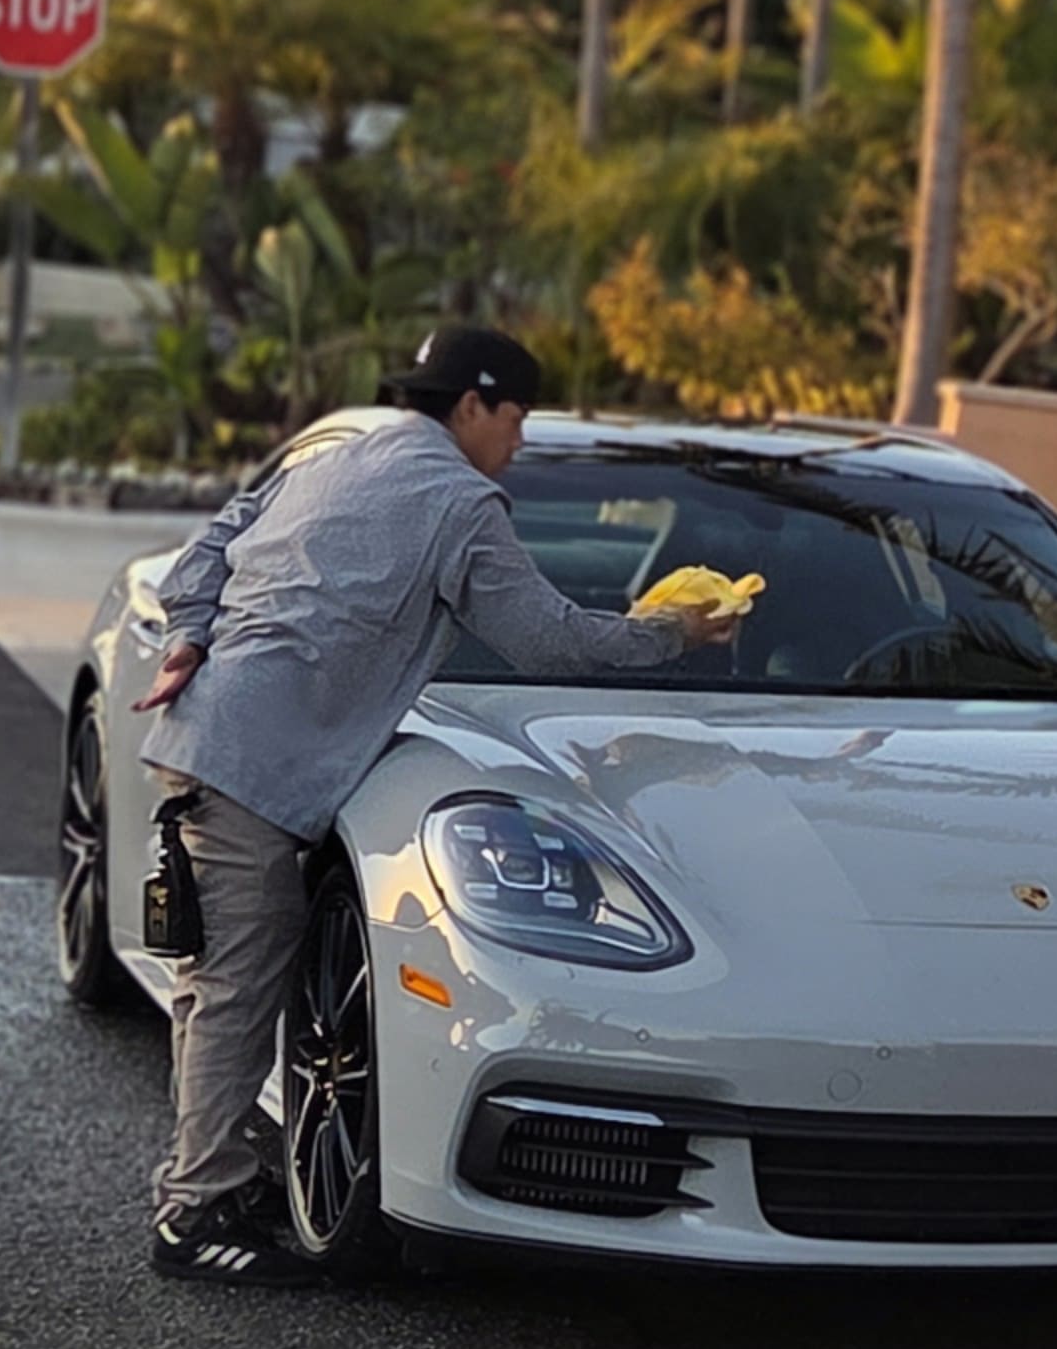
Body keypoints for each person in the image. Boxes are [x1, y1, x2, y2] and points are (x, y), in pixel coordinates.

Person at [132, 322, 731, 1286]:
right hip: (254, 772)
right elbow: (546, 641)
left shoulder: (338, 459)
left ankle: (225, 1182)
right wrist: (669, 632)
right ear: (471, 407)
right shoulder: (458, 500)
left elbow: (206, 548)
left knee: (226, 986)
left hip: (219, 744)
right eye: (517, 414)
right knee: (235, 993)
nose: (522, 439)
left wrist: (192, 641)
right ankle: (191, 1218)